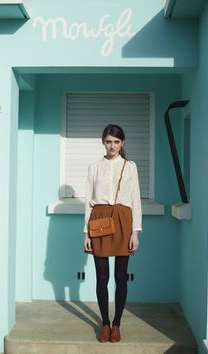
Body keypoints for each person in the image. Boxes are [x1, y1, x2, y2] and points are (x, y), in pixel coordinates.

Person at [83, 124, 142, 343]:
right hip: (99, 220)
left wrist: (135, 232)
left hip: (123, 221)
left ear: (122, 143)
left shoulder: (130, 166)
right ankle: (105, 324)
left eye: (116, 142)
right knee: (102, 277)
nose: (112, 146)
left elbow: (135, 200)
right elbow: (89, 202)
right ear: (103, 142)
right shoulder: (94, 167)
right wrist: (86, 233)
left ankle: (117, 324)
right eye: (109, 141)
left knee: (120, 277)